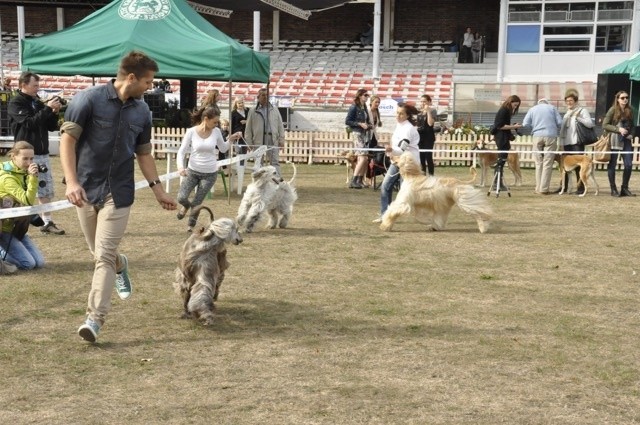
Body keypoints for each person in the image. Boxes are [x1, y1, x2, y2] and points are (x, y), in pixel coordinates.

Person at [59, 51, 177, 343]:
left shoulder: (142, 112)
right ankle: (121, 265)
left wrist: (158, 190)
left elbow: (144, 153)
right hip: (85, 190)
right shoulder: (87, 100)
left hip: (119, 193)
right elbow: (67, 140)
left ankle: (94, 320)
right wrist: (72, 182)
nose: (151, 87)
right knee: (101, 255)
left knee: (103, 257)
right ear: (132, 77)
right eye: (148, 81)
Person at [8, 71, 65, 235]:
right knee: (21, 190)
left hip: (42, 152)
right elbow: (29, 124)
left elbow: (50, 126)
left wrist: (54, 112)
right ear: (23, 85)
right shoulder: (15, 103)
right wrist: (47, 108)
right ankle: (15, 222)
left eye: (38, 85)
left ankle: (47, 222)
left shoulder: (37, 103)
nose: (37, 88)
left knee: (44, 188)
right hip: (24, 155)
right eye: (35, 85)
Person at [176, 108, 241, 232]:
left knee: (197, 201)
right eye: (215, 122)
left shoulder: (216, 132)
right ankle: (185, 206)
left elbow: (222, 149)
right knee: (181, 197)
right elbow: (182, 151)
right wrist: (180, 167)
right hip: (192, 171)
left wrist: (230, 139)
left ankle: (191, 225)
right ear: (206, 119)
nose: (217, 125)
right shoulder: (191, 132)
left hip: (210, 173)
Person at [0, 141, 46, 270]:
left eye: (31, 158)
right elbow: (27, 201)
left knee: (39, 263)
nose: (29, 162)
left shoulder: (21, 171)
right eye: (25, 158)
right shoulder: (6, 177)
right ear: (13, 157)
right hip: (4, 228)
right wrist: (33, 178)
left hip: (16, 227)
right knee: (28, 264)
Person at [372, 103, 420, 223]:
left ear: (407, 116)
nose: (398, 115)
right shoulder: (399, 125)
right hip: (398, 162)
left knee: (406, 191)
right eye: (397, 113)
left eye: (401, 113)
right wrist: (391, 152)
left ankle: (422, 214)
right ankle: (385, 215)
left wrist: (391, 150)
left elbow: (402, 149)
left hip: (408, 164)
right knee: (385, 186)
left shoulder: (408, 129)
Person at [522, 98, 562, 195]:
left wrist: (534, 126)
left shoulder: (532, 109)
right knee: (547, 163)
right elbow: (560, 122)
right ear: (547, 103)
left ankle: (538, 187)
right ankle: (544, 189)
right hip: (551, 136)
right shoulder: (552, 108)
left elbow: (525, 124)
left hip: (537, 136)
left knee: (538, 163)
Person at [559, 89, 593, 195]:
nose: (569, 103)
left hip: (577, 143)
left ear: (576, 101)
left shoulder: (582, 111)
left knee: (579, 167)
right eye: (567, 101)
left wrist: (579, 118)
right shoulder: (566, 113)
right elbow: (562, 130)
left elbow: (590, 124)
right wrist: (560, 143)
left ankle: (580, 188)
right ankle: (564, 188)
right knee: (564, 167)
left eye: (571, 101)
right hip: (566, 143)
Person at [244, 88, 286, 175]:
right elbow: (248, 128)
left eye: (267, 95)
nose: (265, 97)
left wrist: (281, 139)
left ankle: (277, 183)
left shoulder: (274, 109)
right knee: (258, 163)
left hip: (272, 139)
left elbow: (280, 125)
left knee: (275, 162)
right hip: (258, 139)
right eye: (263, 95)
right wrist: (249, 142)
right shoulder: (252, 111)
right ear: (258, 97)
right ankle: (259, 185)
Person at [602, 90, 635, 197]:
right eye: (622, 98)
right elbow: (605, 125)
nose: (625, 99)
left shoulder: (630, 110)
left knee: (629, 164)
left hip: (626, 140)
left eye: (626, 97)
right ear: (617, 99)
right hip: (614, 139)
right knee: (613, 164)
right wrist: (618, 129)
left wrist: (631, 134)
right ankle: (613, 189)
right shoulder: (612, 110)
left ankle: (624, 188)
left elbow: (633, 125)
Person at [492, 95, 522, 190]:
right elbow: (499, 126)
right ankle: (497, 184)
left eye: (517, 106)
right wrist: (513, 127)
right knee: (501, 161)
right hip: (501, 138)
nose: (515, 107)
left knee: (502, 161)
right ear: (510, 102)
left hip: (502, 137)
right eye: (515, 105)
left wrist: (512, 126)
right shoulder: (504, 110)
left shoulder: (505, 111)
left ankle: (498, 183)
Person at [345, 88, 372, 189]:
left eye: (367, 95)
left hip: (364, 134)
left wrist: (368, 125)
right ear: (360, 96)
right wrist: (360, 124)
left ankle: (359, 180)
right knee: (363, 157)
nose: (367, 97)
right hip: (357, 134)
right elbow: (348, 121)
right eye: (365, 95)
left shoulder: (364, 107)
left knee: (363, 158)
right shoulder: (354, 107)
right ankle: (354, 180)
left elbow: (366, 120)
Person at [417, 94, 438, 176]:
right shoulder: (419, 112)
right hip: (420, 136)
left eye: (424, 101)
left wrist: (428, 111)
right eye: (421, 101)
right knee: (421, 157)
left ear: (429, 102)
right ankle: (423, 176)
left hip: (428, 136)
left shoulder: (433, 111)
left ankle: (431, 176)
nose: (422, 103)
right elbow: (417, 125)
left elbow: (430, 123)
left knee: (428, 157)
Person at [231, 95, 249, 162]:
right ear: (236, 104)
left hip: (246, 134)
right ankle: (239, 169)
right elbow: (232, 125)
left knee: (244, 153)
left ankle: (242, 168)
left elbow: (252, 121)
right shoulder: (233, 113)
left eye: (242, 102)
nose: (240, 104)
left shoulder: (248, 111)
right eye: (239, 103)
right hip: (237, 136)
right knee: (239, 153)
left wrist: (246, 121)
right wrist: (232, 136)